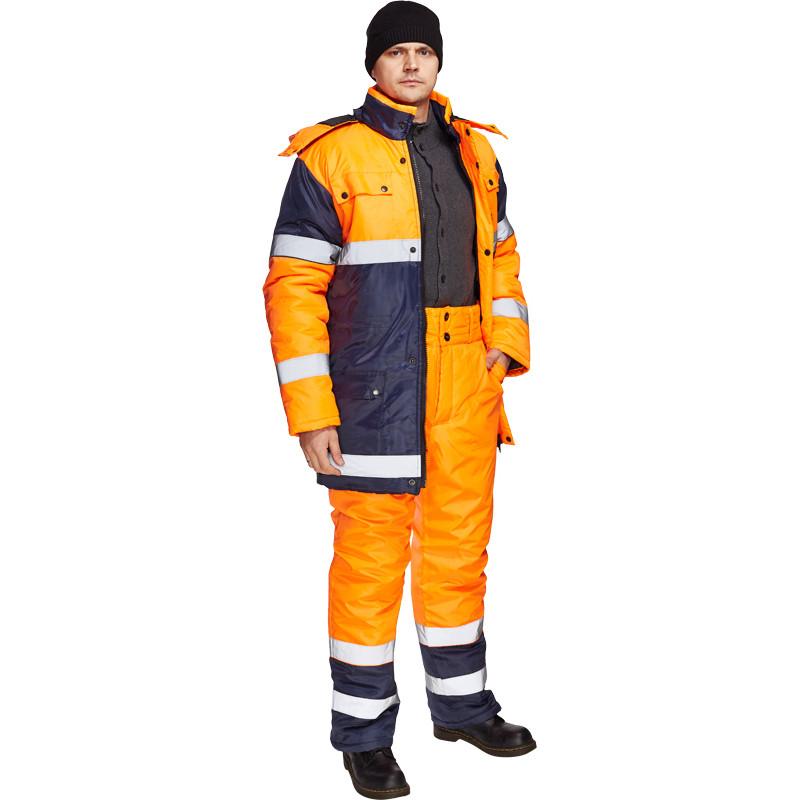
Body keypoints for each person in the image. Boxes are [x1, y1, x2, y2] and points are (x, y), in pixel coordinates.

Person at [263, 2, 535, 796]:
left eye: (424, 51)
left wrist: (504, 342)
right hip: (374, 385)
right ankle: (364, 737)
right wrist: (313, 411)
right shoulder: (330, 156)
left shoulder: (474, 150)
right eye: (397, 52)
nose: (412, 64)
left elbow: (504, 254)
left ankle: (462, 707)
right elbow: (293, 286)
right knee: (370, 561)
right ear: (374, 65)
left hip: (465, 381)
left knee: (459, 549)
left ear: (438, 62)